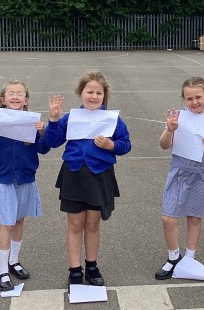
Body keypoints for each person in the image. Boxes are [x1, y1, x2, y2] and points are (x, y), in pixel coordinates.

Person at [46, 71, 131, 289]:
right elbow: (53, 142)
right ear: (80, 93)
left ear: (104, 95)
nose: (93, 96)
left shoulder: (112, 119)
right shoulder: (71, 117)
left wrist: (111, 145)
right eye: (89, 92)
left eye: (98, 93)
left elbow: (125, 144)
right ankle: (75, 270)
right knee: (75, 224)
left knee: (93, 224)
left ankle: (92, 266)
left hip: (99, 175)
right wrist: (53, 120)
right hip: (74, 174)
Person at [0, 80, 51, 291]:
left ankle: (14, 261)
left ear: (26, 100)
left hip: (26, 177)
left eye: (20, 93)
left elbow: (43, 149)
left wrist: (43, 132)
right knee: (7, 224)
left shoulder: (31, 123)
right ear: (3, 99)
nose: (15, 96)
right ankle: (2, 271)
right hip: (6, 179)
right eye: (11, 93)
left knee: (19, 221)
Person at [155, 77, 204, 280]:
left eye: (198, 97)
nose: (194, 102)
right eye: (189, 98)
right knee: (168, 217)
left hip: (201, 174)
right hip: (179, 172)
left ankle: (189, 258)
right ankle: (173, 257)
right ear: (183, 99)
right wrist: (170, 129)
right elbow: (164, 145)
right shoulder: (177, 118)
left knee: (194, 217)